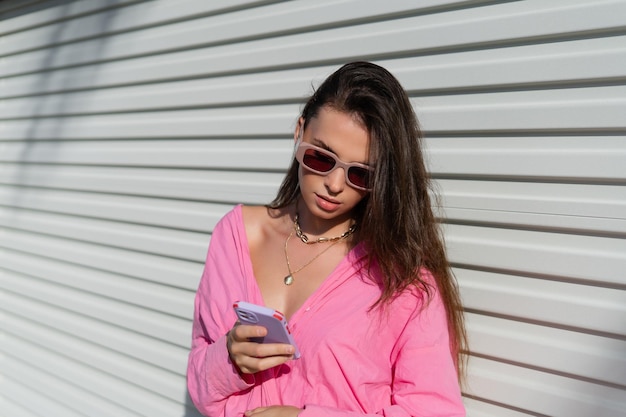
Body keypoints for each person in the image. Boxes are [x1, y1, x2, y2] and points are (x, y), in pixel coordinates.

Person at [187, 61, 467, 417]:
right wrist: (227, 359)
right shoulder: (236, 235)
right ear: (299, 132)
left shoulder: (402, 282)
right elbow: (200, 386)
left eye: (360, 174)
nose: (335, 184)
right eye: (321, 157)